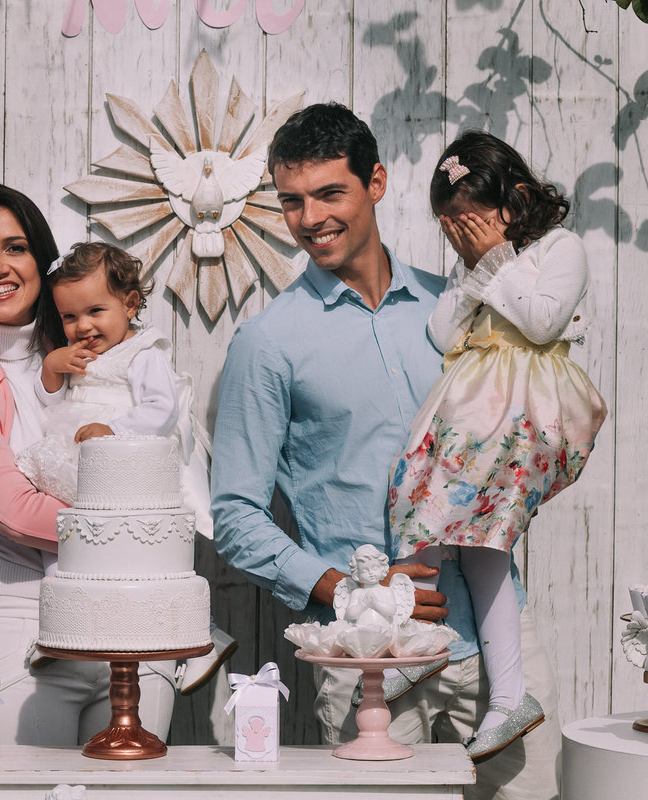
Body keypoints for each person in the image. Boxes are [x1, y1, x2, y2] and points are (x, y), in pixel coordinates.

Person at [211, 102, 560, 799]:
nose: (310, 219)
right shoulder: (268, 343)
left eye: (329, 193)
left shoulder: (456, 307)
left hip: (496, 651)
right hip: (368, 662)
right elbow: (235, 517)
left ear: (376, 182)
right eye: (291, 202)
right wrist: (350, 593)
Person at [0, 183, 175, 746]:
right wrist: (140, 530)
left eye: (15, 247)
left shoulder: (106, 346)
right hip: (17, 615)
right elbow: (14, 510)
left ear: (42, 259)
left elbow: (169, 442)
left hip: (130, 610)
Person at [389, 130, 605, 760]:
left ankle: (498, 691)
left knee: (461, 524)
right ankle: (498, 692)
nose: (463, 232)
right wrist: (474, 269)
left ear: (515, 199)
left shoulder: (559, 247)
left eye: (473, 218)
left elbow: (541, 322)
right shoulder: (480, 266)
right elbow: (440, 331)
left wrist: (495, 259)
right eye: (450, 224)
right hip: (476, 406)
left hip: (526, 406)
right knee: (446, 524)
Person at [13, 241, 236, 693]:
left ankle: (204, 635)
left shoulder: (143, 353)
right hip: (84, 458)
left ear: (129, 303)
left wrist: (112, 430)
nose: (83, 327)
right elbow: (53, 401)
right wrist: (53, 370)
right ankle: (63, 625)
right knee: (72, 540)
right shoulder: (78, 352)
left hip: (125, 463)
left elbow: (162, 408)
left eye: (95, 311)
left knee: (148, 561)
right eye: (70, 317)